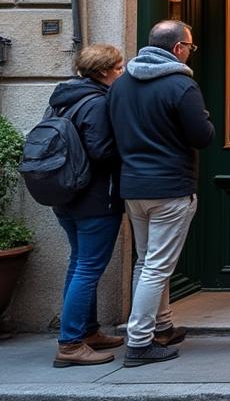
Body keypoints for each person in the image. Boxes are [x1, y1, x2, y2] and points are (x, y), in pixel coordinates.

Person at [108, 20, 214, 368]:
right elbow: (202, 136)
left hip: (134, 186)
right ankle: (139, 342)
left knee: (146, 260)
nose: (190, 53)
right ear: (178, 49)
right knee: (157, 265)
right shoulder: (181, 85)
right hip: (170, 186)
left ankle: (162, 325)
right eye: (190, 48)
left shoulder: (121, 85)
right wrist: (207, 120)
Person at [49, 44, 125, 368]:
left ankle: (86, 331)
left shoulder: (63, 100)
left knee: (79, 262)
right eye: (119, 67)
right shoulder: (97, 103)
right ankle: (70, 343)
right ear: (105, 71)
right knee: (88, 267)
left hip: (65, 196)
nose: (122, 72)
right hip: (94, 197)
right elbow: (101, 151)